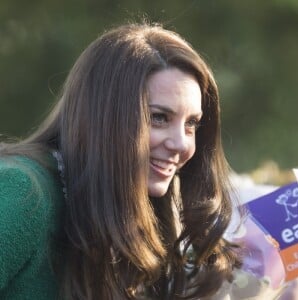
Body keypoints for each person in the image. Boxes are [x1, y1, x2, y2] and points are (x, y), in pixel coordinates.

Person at [0, 23, 241, 299]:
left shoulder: (140, 209)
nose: (181, 144)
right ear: (104, 117)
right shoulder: (21, 193)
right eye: (159, 118)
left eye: (192, 124)